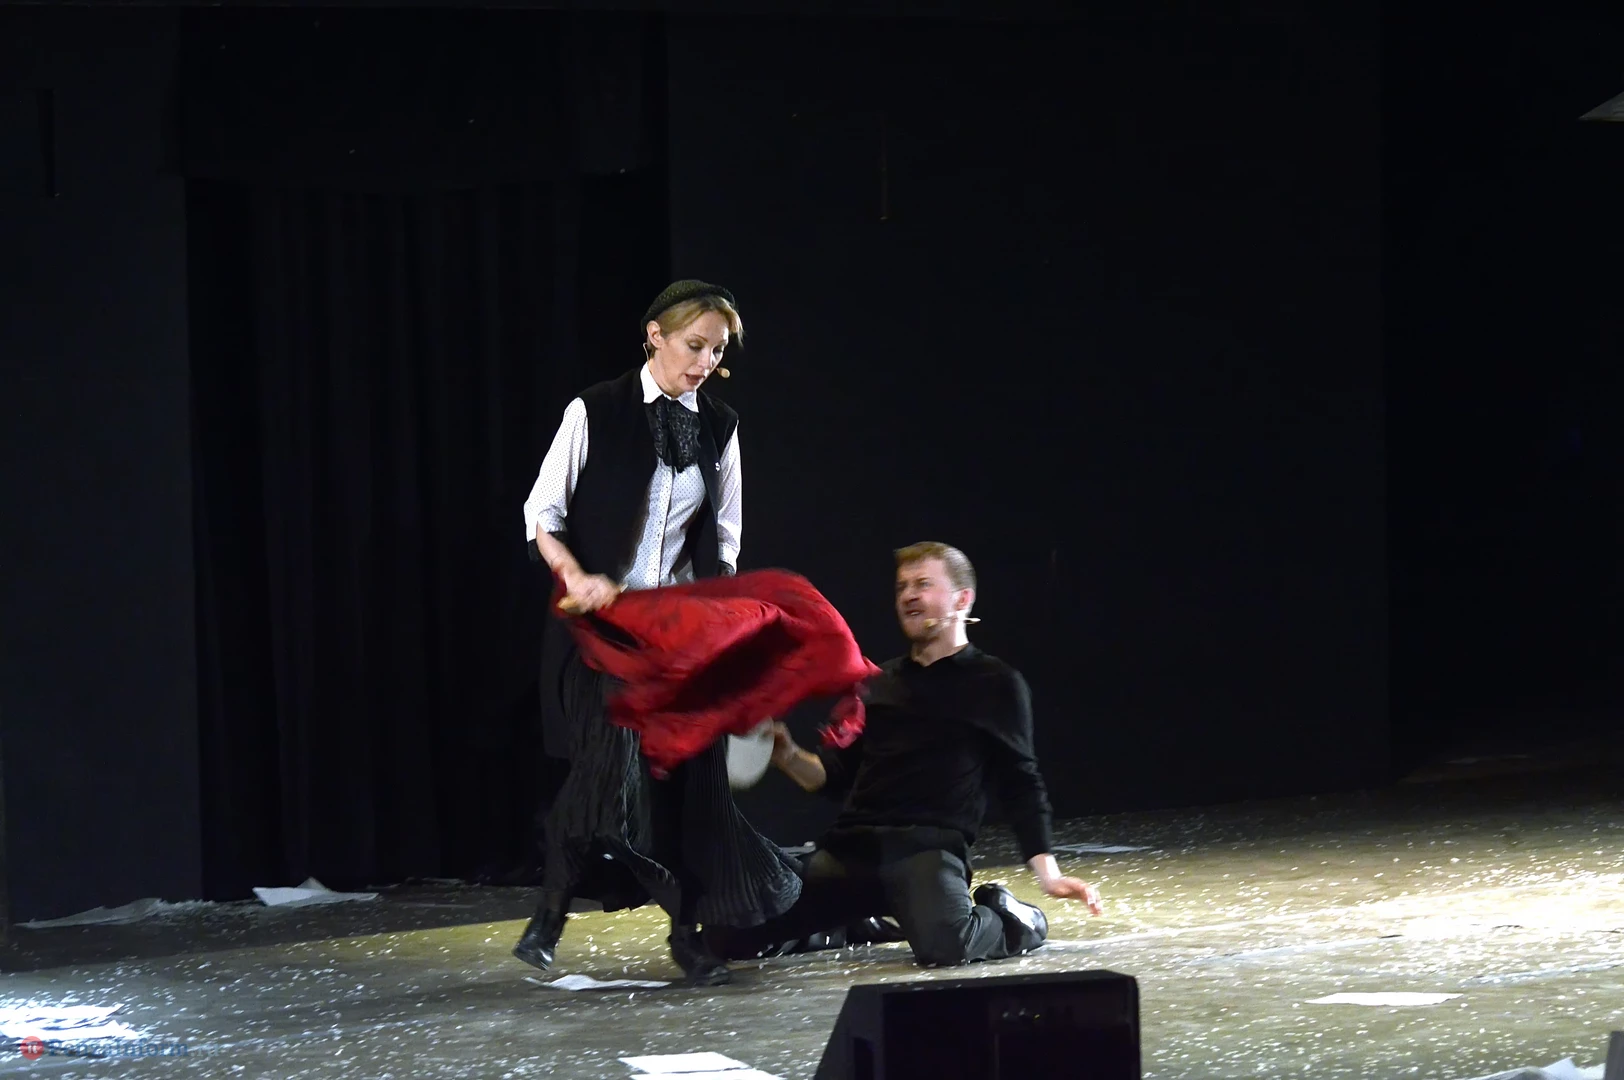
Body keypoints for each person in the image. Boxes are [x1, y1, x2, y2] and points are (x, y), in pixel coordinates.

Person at [513, 280, 802, 986]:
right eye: (694, 345)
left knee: (689, 789)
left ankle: (686, 935)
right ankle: (551, 911)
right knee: (605, 769)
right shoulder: (595, 410)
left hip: (677, 635)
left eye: (717, 351)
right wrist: (575, 576)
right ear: (655, 336)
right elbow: (542, 512)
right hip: (599, 631)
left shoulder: (720, 427)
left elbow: (725, 540)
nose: (705, 363)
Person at [706, 541, 1103, 968]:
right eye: (902, 587)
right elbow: (838, 777)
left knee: (946, 947)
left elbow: (1020, 782)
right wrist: (787, 755)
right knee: (727, 937)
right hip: (852, 852)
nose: (909, 595)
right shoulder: (879, 684)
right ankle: (857, 923)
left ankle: (1013, 918)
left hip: (925, 852)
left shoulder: (994, 683)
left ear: (962, 599)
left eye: (923, 584)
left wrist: (1049, 875)